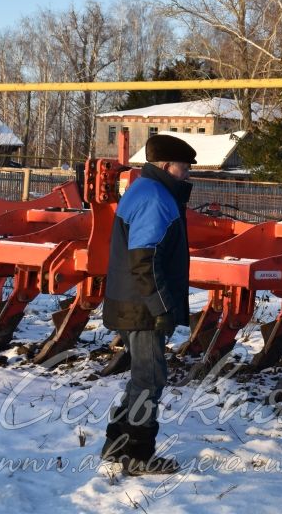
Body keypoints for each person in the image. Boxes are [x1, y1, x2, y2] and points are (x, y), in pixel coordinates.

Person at [100, 134, 197, 475]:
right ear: (166, 166)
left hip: (131, 302)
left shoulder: (144, 189)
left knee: (143, 378)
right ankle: (137, 455)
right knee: (150, 380)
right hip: (141, 308)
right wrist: (161, 308)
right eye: (184, 168)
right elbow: (145, 260)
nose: (187, 175)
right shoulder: (157, 198)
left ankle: (116, 445)